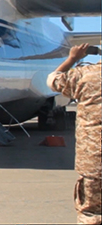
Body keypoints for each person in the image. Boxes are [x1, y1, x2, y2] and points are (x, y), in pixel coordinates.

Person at [46, 43, 101, 224]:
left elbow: (53, 80)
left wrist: (72, 59)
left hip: (94, 160)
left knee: (91, 213)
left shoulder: (85, 75)